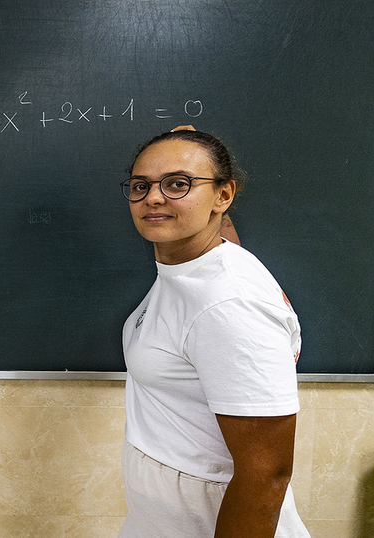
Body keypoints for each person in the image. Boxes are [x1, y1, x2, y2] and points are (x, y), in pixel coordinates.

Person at [117, 128, 310, 537]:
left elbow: (267, 473)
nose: (153, 197)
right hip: (165, 515)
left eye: (177, 184)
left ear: (223, 196)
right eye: (141, 185)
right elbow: (219, 241)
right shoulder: (198, 264)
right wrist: (189, 167)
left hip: (205, 519)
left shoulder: (229, 306)